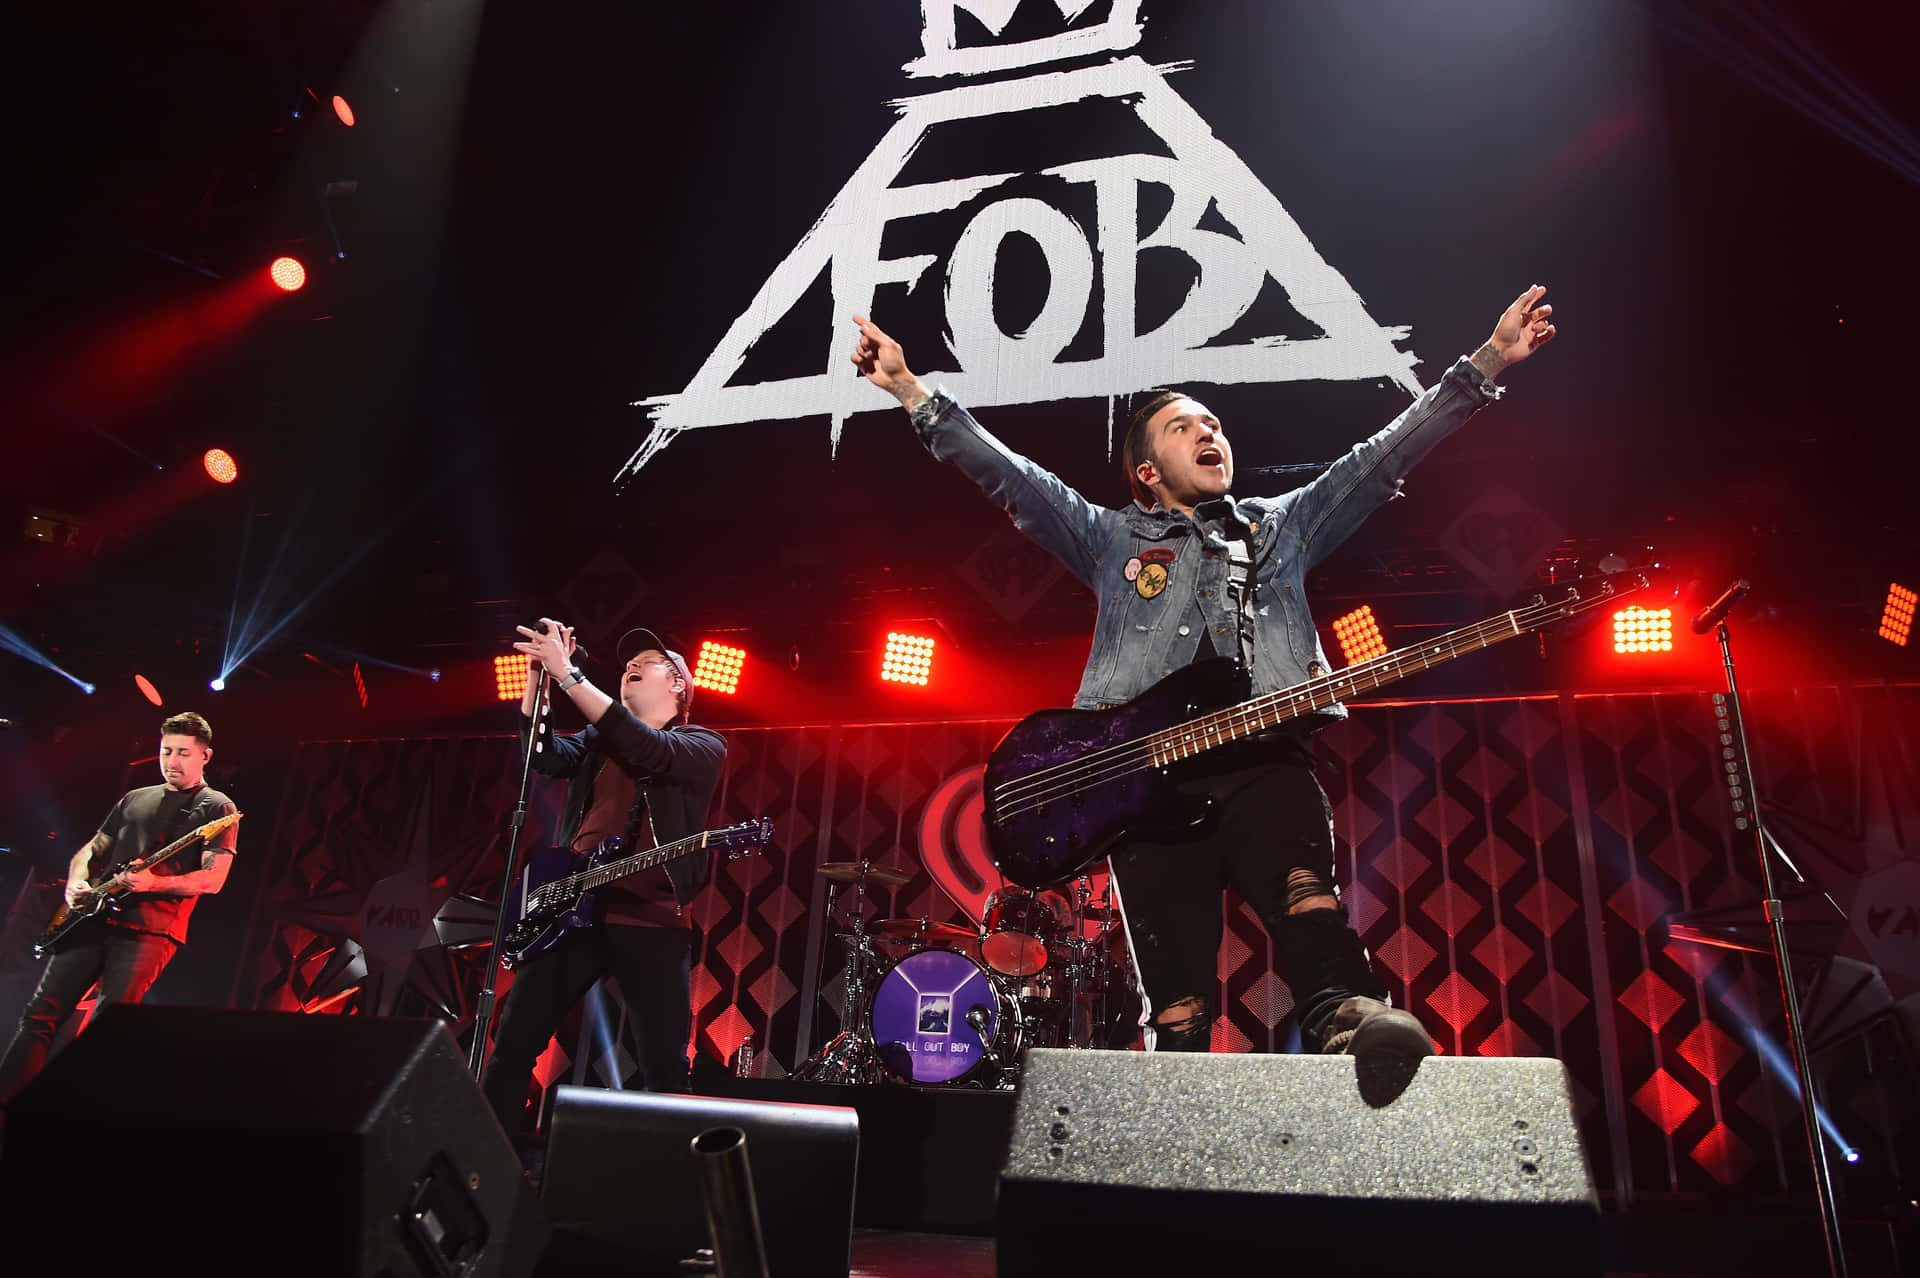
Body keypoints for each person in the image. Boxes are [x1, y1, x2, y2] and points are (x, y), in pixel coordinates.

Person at [849, 286, 1557, 1056]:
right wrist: (910, 390)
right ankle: (1175, 1106)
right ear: (1148, 472)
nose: (1207, 431)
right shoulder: (1110, 538)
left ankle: (1347, 1017)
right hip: (1142, 785)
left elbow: (1379, 458)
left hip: (1263, 756)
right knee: (1178, 1007)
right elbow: (1014, 480)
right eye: (1182, 426)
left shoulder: (1280, 526)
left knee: (1305, 894)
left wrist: (1483, 364)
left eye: (1213, 423)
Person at [480, 621, 726, 1135]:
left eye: (649, 661)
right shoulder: (598, 739)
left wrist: (568, 676)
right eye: (627, 663)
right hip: (573, 910)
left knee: (662, 1067)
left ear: (679, 684)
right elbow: (544, 756)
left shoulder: (703, 744)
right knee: (513, 1047)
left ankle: (663, 1187)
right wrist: (538, 680)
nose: (630, 666)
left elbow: (646, 749)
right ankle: (489, 1173)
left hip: (650, 919)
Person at [0, 711, 239, 1106]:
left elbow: (213, 879)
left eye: (183, 752)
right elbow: (93, 849)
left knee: (107, 1027)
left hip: (150, 930)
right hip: (91, 919)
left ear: (205, 756)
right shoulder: (135, 798)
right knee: (39, 1016)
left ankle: (75, 1112)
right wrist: (76, 882)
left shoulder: (217, 807)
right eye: (166, 751)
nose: (172, 761)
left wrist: (153, 884)